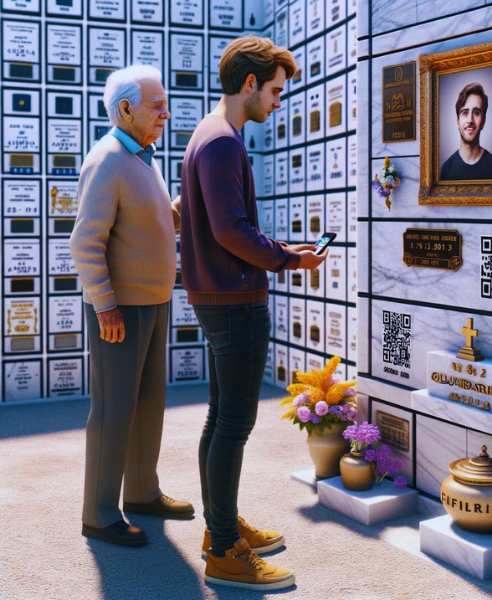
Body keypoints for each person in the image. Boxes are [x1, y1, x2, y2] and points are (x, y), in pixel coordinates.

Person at [179, 36, 328, 591]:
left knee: (220, 419)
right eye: (275, 91)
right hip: (234, 300)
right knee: (234, 424)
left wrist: (277, 252)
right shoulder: (222, 142)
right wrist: (289, 258)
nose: (279, 102)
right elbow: (228, 229)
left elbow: (223, 224)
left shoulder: (210, 133)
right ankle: (223, 548)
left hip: (219, 295)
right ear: (249, 85)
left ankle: (220, 524)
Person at [71, 65, 193, 547]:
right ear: (125, 109)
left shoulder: (144, 157)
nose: (166, 112)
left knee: (147, 406)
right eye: (156, 104)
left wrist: (188, 205)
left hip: (154, 303)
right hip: (120, 310)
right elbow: (85, 243)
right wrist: (105, 306)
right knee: (113, 410)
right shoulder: (107, 160)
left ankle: (141, 491)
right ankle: (99, 513)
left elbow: (159, 222)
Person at [440, 82, 492, 181]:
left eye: (476, 113)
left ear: (483, 122)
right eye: (465, 113)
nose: (470, 120)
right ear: (457, 122)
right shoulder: (446, 168)